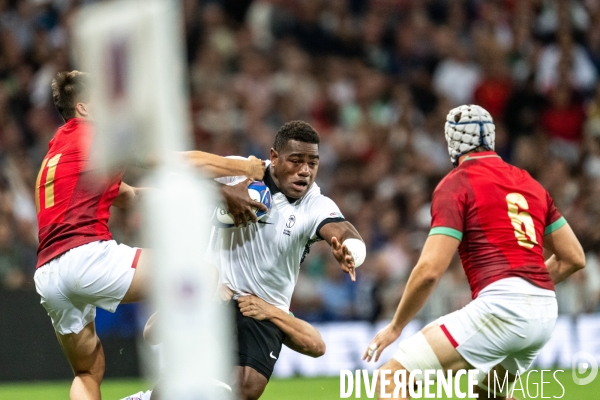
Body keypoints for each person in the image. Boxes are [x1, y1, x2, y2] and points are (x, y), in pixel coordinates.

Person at [33, 70, 266, 400]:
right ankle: (186, 384)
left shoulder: (56, 153)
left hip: (48, 275)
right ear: (84, 108)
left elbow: (129, 195)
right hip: (87, 256)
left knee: (87, 371)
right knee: (204, 273)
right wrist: (245, 169)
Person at [363, 104, 585, 399]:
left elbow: (429, 270)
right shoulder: (529, 182)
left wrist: (396, 325)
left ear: (452, 142)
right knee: (489, 394)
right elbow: (574, 257)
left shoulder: (456, 183)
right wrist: (528, 285)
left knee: (391, 381)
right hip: (544, 311)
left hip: (503, 307)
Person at [206, 120, 366, 400]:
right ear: (274, 157)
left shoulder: (315, 205)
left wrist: (351, 250)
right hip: (216, 290)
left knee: (246, 389)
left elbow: (343, 230)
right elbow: (179, 173)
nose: (305, 171)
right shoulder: (239, 172)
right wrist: (222, 192)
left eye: (312, 163)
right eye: (296, 161)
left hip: (264, 308)